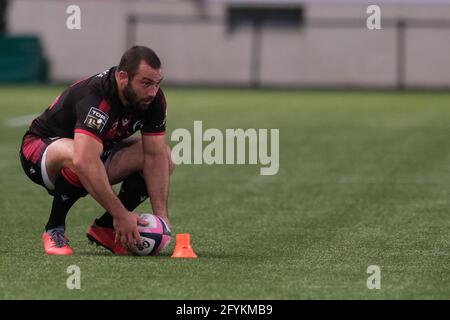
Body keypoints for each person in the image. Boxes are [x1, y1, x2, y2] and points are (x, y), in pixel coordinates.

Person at [19, 46, 174, 255]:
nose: (152, 92)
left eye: (157, 84)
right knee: (80, 156)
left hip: (96, 152)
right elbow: (85, 160)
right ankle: (54, 228)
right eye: (145, 83)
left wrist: (162, 218)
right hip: (39, 150)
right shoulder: (97, 96)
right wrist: (122, 213)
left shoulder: (154, 101)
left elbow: (155, 157)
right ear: (122, 78)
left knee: (165, 156)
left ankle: (105, 228)